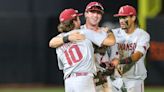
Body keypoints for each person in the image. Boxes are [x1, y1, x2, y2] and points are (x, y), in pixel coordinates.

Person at [49, 8, 115, 92]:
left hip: (68, 82)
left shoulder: (59, 40)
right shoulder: (84, 32)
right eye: (78, 18)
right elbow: (111, 41)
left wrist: (68, 38)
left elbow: (51, 44)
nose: (80, 21)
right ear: (73, 21)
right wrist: (109, 32)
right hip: (84, 79)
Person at [110, 5, 150, 92]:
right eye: (120, 18)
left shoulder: (142, 35)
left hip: (135, 79)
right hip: (116, 79)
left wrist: (120, 61)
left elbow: (137, 55)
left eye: (124, 17)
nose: (121, 21)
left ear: (133, 18)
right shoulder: (114, 33)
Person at [81, 1, 116, 92]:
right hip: (85, 76)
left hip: (103, 77)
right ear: (86, 14)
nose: (95, 15)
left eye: (98, 13)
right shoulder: (79, 31)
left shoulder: (105, 32)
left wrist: (114, 62)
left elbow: (115, 54)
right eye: (92, 12)